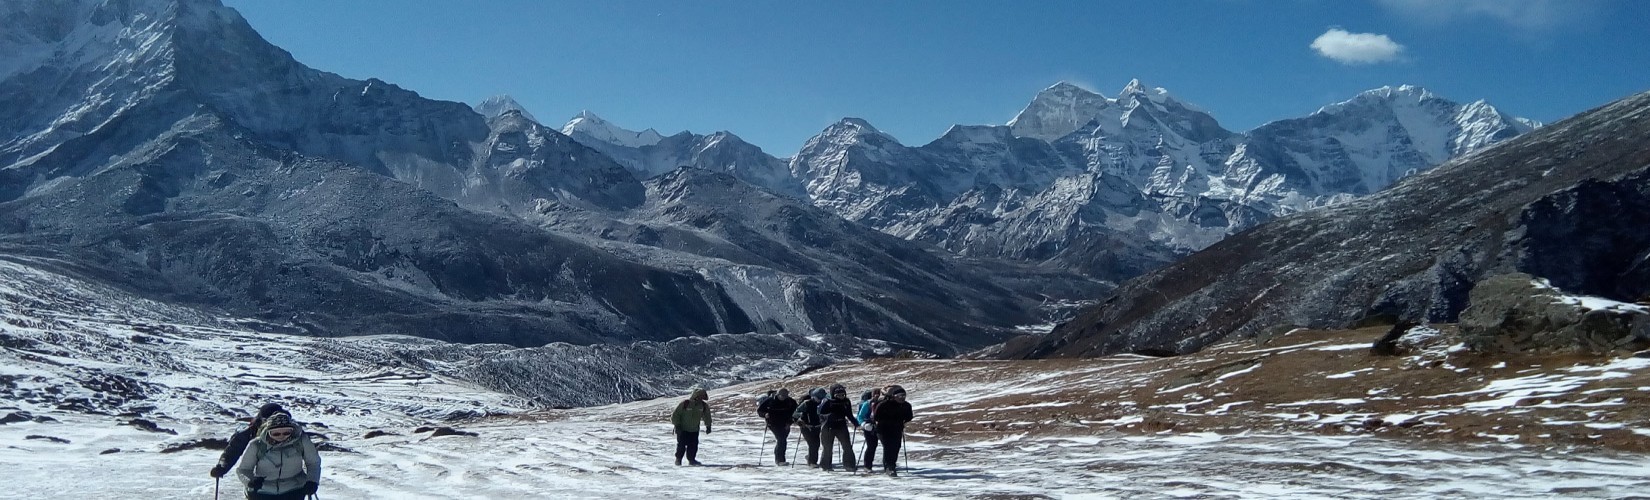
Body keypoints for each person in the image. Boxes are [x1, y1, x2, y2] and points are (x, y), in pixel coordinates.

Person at [235, 412, 321, 500]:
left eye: (286, 432)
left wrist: (312, 481)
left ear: (292, 430)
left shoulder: (301, 441)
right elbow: (243, 469)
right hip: (262, 492)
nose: (281, 436)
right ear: (268, 432)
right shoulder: (256, 445)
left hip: (294, 490)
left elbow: (313, 462)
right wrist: (250, 482)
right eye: (276, 434)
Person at [210, 403, 288, 479]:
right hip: (260, 482)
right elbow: (233, 451)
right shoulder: (251, 432)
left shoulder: (292, 431)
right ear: (261, 420)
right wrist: (222, 467)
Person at [872, 385, 914, 476]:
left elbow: (909, 417)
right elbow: (876, 417)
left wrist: (901, 420)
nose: (902, 398)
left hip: (897, 429)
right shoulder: (883, 404)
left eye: (904, 396)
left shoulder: (906, 405)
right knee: (888, 447)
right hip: (883, 429)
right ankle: (889, 467)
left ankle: (891, 465)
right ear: (894, 396)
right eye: (900, 396)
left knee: (896, 447)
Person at [816, 383, 859, 472]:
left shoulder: (846, 401)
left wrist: (856, 424)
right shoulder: (827, 401)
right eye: (838, 395)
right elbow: (819, 414)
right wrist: (828, 416)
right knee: (827, 447)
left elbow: (849, 414)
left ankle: (849, 465)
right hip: (828, 426)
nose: (841, 397)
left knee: (847, 446)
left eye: (843, 395)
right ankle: (826, 465)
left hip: (841, 425)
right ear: (833, 394)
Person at [670, 387, 713, 466]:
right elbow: (676, 414)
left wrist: (708, 426)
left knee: (693, 446)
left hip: (694, 430)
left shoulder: (703, 406)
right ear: (696, 396)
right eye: (700, 396)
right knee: (681, 445)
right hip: (682, 429)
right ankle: (678, 459)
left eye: (702, 397)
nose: (701, 398)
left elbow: (707, 416)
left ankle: (691, 460)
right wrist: (677, 425)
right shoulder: (685, 403)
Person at [757, 387, 798, 465]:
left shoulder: (791, 402)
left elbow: (796, 413)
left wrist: (789, 423)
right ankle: (780, 460)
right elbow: (760, 411)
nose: (783, 398)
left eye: (785, 396)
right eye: (782, 396)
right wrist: (765, 414)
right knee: (781, 439)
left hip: (785, 423)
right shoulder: (770, 401)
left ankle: (779, 459)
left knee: (782, 440)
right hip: (773, 423)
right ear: (778, 394)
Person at [794, 387, 826, 467]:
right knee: (813, 444)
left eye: (821, 398)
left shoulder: (824, 403)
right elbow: (795, 413)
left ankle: (810, 458)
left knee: (816, 444)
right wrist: (800, 417)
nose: (820, 400)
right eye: (818, 398)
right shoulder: (806, 403)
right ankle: (812, 462)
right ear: (814, 396)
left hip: (817, 426)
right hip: (806, 426)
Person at [856, 387, 883, 472]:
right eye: (875, 394)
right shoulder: (867, 404)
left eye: (879, 394)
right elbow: (860, 417)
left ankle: (889, 465)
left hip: (882, 426)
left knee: (887, 446)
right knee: (872, 446)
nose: (877, 396)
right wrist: (864, 424)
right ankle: (867, 466)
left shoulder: (884, 403)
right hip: (869, 427)